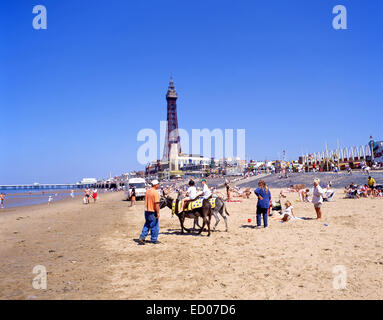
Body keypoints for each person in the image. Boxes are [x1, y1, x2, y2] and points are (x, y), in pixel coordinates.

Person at [138, 180, 161, 245]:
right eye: (158, 184)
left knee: (147, 225)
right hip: (152, 211)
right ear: (156, 185)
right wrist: (158, 212)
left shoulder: (147, 191)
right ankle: (154, 239)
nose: (158, 185)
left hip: (147, 210)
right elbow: (156, 204)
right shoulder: (155, 193)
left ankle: (142, 237)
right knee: (154, 226)